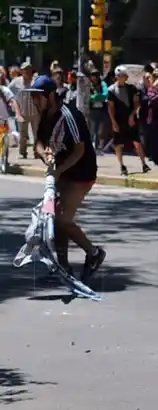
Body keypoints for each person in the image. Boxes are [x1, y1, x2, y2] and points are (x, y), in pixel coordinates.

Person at [28, 75, 105, 279]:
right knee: (55, 219)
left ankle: (94, 253)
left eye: (37, 97)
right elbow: (39, 143)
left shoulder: (69, 115)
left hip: (81, 174)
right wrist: (45, 155)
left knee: (63, 219)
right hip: (62, 171)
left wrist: (58, 170)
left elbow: (79, 150)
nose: (34, 101)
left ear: (50, 96)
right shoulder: (45, 115)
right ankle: (62, 266)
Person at [107, 65, 151, 176]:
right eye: (122, 76)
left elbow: (136, 103)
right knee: (119, 144)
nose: (125, 78)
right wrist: (113, 122)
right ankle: (122, 166)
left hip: (130, 119)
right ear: (117, 77)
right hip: (118, 119)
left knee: (137, 142)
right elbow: (110, 107)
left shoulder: (132, 88)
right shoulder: (111, 90)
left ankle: (144, 164)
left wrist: (132, 115)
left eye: (126, 76)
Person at [8, 62, 39, 159]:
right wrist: (11, 104)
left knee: (37, 134)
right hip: (22, 113)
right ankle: (22, 153)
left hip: (35, 112)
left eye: (29, 69)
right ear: (22, 71)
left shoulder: (35, 81)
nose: (27, 72)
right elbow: (8, 92)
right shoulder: (16, 82)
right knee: (23, 135)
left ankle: (37, 152)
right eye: (25, 69)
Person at [88, 70, 108, 153]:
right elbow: (87, 96)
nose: (94, 77)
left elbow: (105, 94)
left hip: (101, 110)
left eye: (96, 75)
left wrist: (97, 97)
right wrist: (93, 97)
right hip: (92, 111)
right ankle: (90, 147)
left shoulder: (103, 84)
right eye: (93, 75)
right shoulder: (88, 85)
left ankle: (98, 148)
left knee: (100, 131)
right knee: (91, 130)